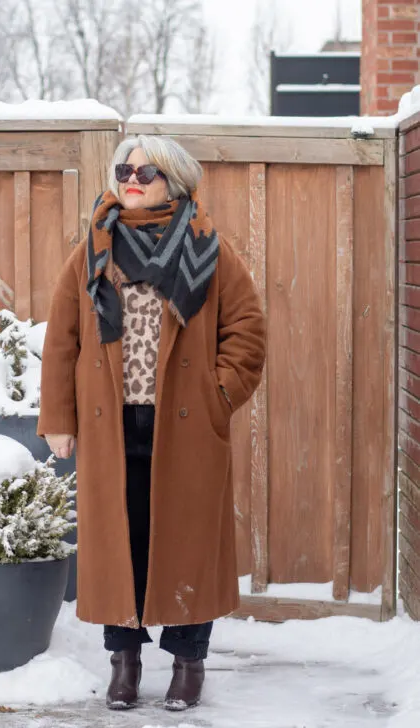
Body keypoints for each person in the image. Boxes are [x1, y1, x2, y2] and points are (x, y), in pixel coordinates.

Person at [38, 134, 266, 712]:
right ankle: (125, 661)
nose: (132, 179)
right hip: (110, 428)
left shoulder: (208, 248)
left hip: (186, 429)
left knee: (188, 545)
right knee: (122, 546)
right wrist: (59, 416)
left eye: (146, 172)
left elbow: (247, 331)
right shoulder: (93, 247)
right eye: (125, 170)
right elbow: (62, 339)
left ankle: (189, 663)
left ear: (176, 181)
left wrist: (219, 395)